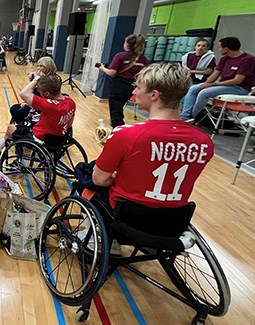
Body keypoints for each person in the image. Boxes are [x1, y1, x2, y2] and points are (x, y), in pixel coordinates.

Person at [89, 63, 213, 247]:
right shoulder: (205, 142)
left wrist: (115, 176)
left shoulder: (125, 134)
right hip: (173, 220)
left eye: (138, 87)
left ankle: (93, 241)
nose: (135, 91)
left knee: (87, 179)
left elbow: (99, 180)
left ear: (154, 95)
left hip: (128, 216)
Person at [0, 74, 75, 158]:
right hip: (59, 139)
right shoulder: (70, 102)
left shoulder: (49, 105)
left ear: (47, 93)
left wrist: (36, 79)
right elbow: (70, 123)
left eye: (39, 91)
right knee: (28, 120)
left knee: (11, 129)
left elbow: (23, 93)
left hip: (41, 139)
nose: (39, 92)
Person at [180, 36, 255, 121]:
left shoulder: (248, 59)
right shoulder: (225, 59)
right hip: (223, 85)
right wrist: (206, 83)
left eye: (220, 47)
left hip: (239, 88)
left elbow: (237, 80)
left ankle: (192, 117)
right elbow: (216, 73)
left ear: (226, 49)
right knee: (193, 89)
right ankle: (185, 116)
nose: (219, 49)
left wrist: (213, 84)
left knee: (204, 93)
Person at [98, 34, 148, 127]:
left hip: (119, 85)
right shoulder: (143, 59)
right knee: (120, 108)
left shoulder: (120, 56)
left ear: (128, 44)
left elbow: (112, 72)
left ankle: (118, 131)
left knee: (116, 111)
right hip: (132, 86)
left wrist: (102, 68)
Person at [9, 57, 58, 125]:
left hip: (44, 104)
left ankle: (24, 127)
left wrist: (37, 79)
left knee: (21, 112)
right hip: (34, 101)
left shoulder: (53, 79)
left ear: (48, 67)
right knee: (14, 108)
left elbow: (43, 94)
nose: (38, 68)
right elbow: (32, 92)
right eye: (38, 66)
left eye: (41, 66)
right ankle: (20, 126)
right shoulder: (42, 77)